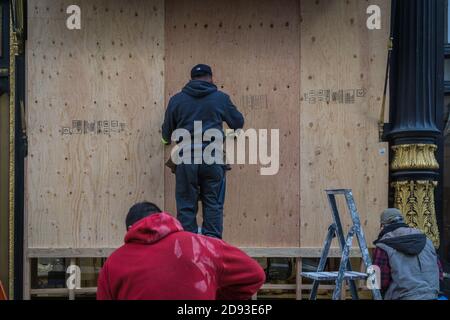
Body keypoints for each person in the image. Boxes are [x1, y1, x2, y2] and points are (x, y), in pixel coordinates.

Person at [96, 202, 265, 300]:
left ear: (131, 230)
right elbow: (255, 275)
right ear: (161, 218)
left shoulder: (113, 263)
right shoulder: (203, 245)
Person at [161, 64, 244, 240]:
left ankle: (187, 252)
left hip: (186, 160)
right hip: (212, 159)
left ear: (191, 79)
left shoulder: (177, 100)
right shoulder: (221, 99)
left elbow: (166, 134)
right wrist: (227, 134)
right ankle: (213, 249)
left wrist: (167, 141)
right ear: (211, 78)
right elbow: (238, 123)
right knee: (213, 205)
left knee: (186, 207)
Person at [372, 208, 443, 300]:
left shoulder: (383, 245)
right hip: (432, 296)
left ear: (382, 226)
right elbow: (439, 275)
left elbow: (378, 283)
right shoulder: (427, 241)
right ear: (403, 221)